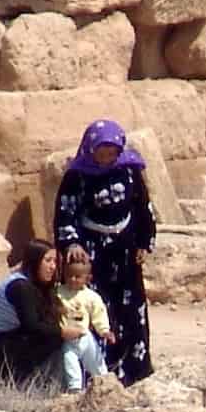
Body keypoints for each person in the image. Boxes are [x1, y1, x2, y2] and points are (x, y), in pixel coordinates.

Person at [54, 120, 156, 386]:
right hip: (92, 253)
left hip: (125, 252)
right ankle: (97, 373)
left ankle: (135, 370)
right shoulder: (76, 176)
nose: (108, 158)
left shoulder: (130, 171)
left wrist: (144, 243)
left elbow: (143, 207)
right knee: (95, 306)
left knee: (132, 310)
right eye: (102, 152)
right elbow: (66, 212)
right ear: (91, 149)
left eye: (113, 152)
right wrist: (72, 244)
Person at [0, 240, 67, 388]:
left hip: (2, 338)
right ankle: (19, 381)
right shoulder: (20, 286)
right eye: (47, 261)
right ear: (34, 261)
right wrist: (63, 332)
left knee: (51, 333)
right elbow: (32, 326)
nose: (53, 266)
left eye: (55, 261)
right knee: (51, 337)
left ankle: (22, 379)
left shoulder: (36, 284)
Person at [56, 244, 115, 392]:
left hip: (85, 337)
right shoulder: (58, 293)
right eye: (69, 275)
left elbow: (99, 314)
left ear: (88, 278)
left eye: (78, 277)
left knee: (96, 361)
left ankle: (105, 384)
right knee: (70, 361)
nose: (73, 279)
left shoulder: (91, 297)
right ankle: (75, 388)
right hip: (68, 339)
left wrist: (104, 331)